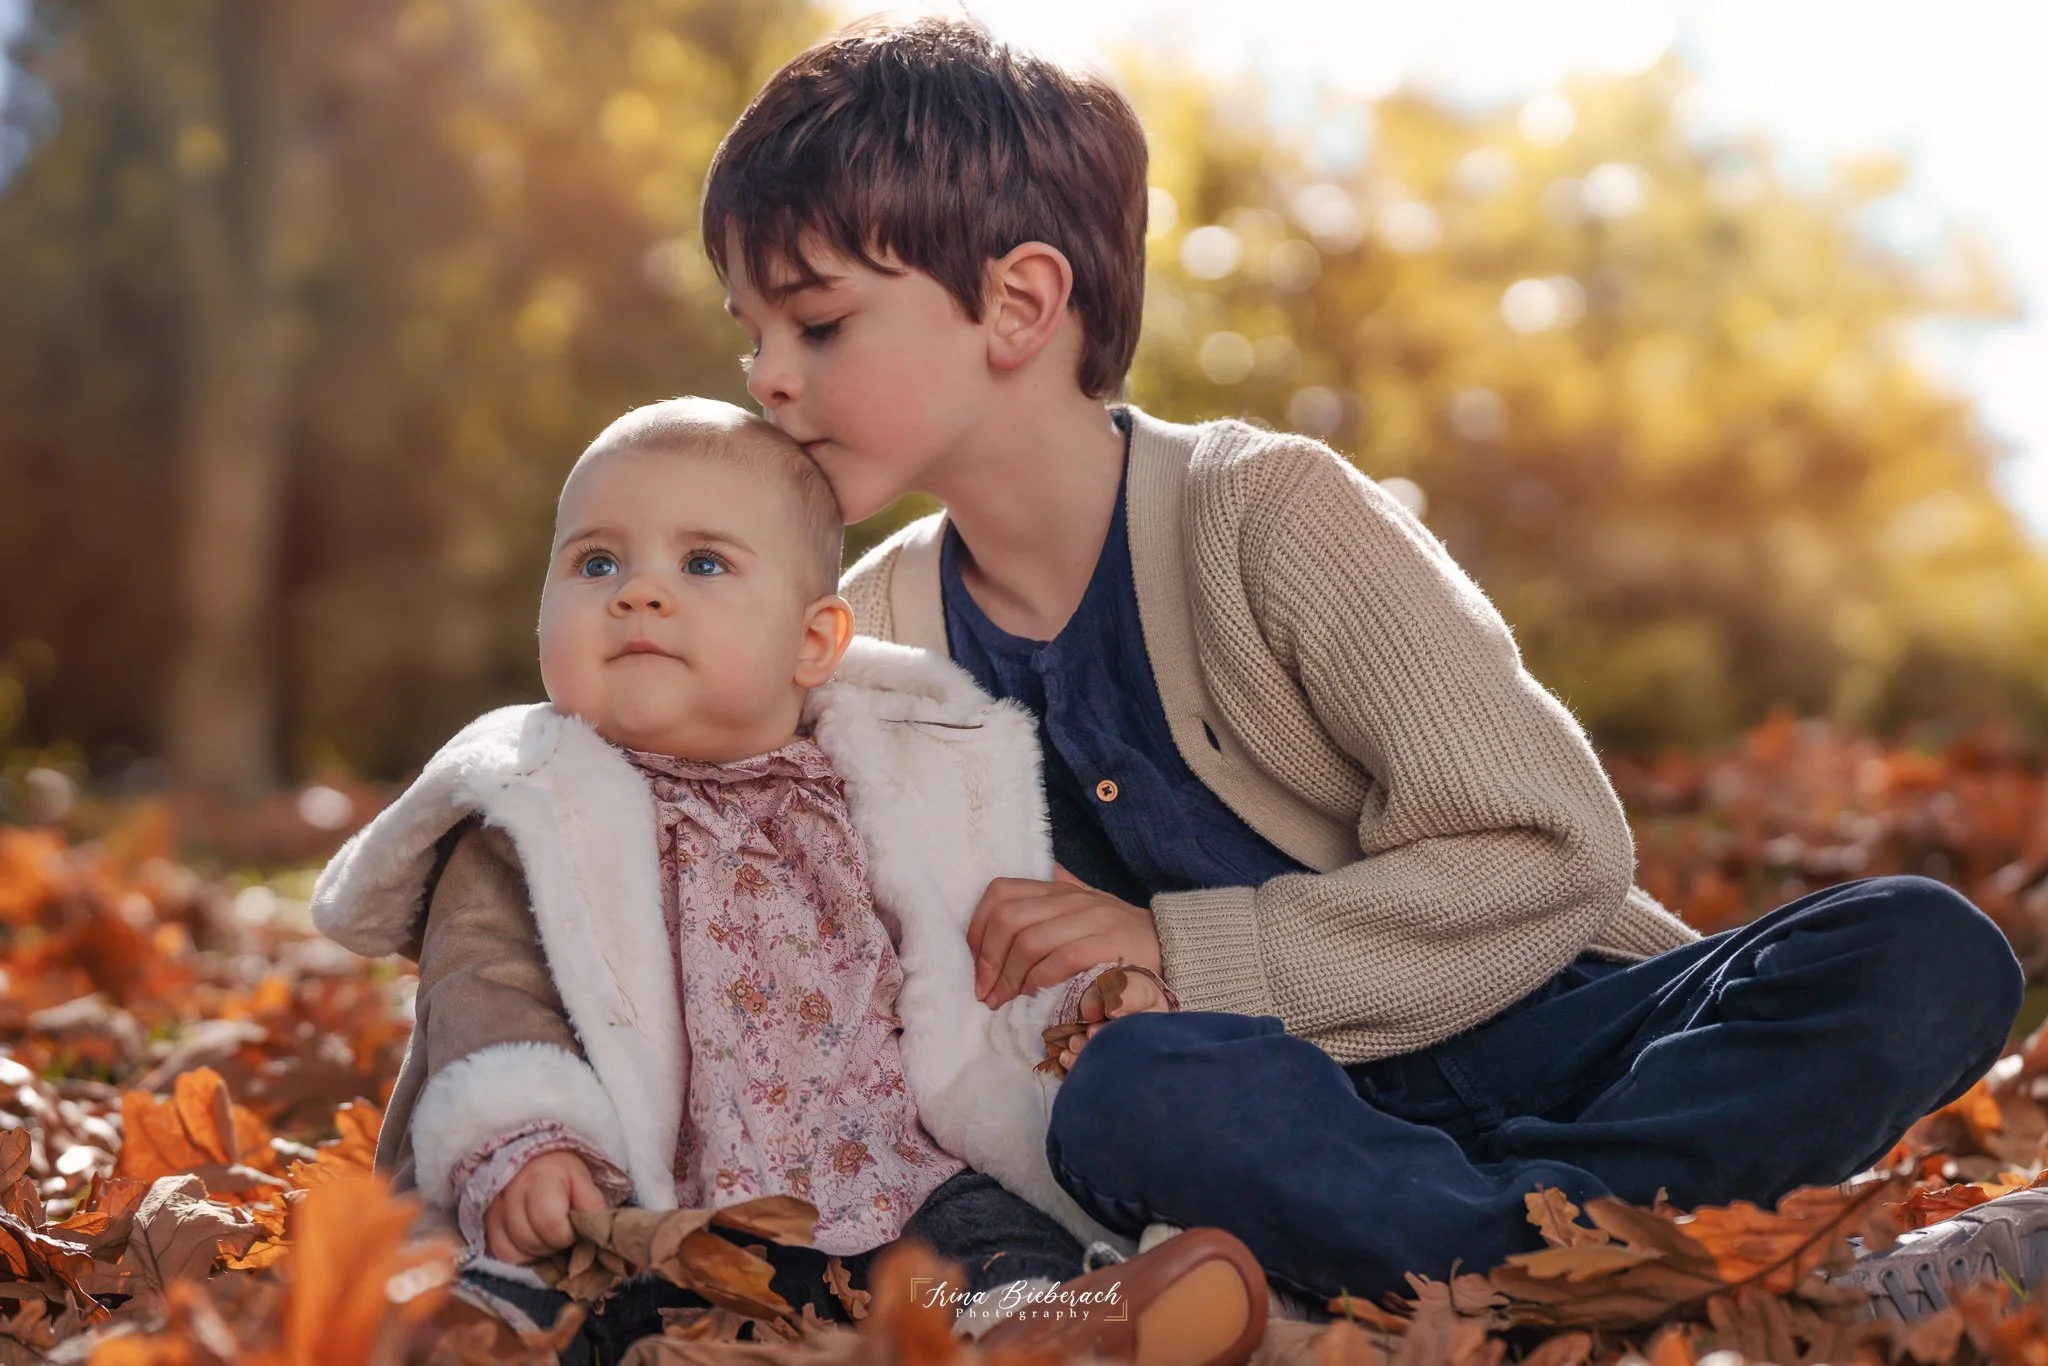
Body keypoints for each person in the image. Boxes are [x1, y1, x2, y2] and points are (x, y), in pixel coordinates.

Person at [702, 14, 2028, 1320]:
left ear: (1018, 304)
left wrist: (1177, 946)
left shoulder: (1265, 511)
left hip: (1561, 1042)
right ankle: (1620, 1262)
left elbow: (1550, 846)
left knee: (1924, 950)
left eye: (816, 324)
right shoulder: (864, 638)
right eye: (751, 334)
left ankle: (1495, 1260)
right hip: (1283, 1125)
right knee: (1134, 1096)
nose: (768, 378)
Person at [310, 398, 1268, 1366]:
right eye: (596, 563)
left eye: (702, 563)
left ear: (813, 642)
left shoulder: (889, 784)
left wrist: (1084, 1002)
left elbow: (979, 957)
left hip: (893, 1179)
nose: (638, 593)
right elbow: (483, 985)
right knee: (567, 1281)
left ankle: (1045, 1326)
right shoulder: (533, 808)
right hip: (661, 1202)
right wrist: (531, 1139)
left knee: (987, 1245)